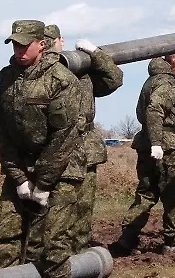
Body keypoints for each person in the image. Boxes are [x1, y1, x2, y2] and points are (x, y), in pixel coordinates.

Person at [0, 20, 85, 278]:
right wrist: (18, 177)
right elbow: (1, 129)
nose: (18, 50)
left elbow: (64, 136)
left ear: (41, 44)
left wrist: (42, 183)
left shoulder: (62, 81)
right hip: (21, 167)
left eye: (24, 44)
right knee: (6, 231)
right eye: (15, 44)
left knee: (53, 239)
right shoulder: (5, 78)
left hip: (61, 168)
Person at [44, 24, 124, 252]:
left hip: (85, 145)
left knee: (83, 204)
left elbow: (114, 79)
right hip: (56, 145)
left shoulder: (81, 69)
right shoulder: (43, 71)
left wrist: (95, 54)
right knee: (57, 204)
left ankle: (78, 252)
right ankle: (54, 253)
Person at [112, 52, 175, 256]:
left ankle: (127, 239)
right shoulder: (167, 83)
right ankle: (173, 242)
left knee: (146, 193)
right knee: (173, 194)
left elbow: (154, 111)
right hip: (164, 146)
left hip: (146, 142)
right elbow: (154, 110)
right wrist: (158, 143)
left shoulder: (152, 80)